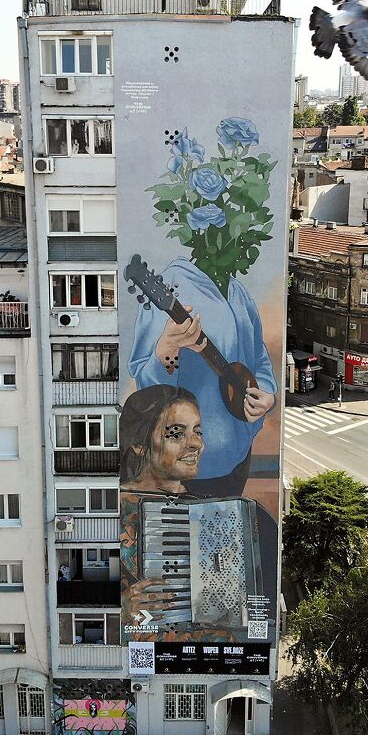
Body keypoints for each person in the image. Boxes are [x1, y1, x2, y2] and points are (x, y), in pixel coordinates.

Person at [118, 385, 275, 634]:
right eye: (176, 434)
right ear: (139, 444)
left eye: (198, 432)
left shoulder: (218, 510)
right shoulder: (110, 510)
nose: (196, 444)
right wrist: (122, 607)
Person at [128, 257, 277, 486]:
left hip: (239, 458)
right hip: (184, 467)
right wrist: (168, 349)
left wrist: (266, 395)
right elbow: (147, 386)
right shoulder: (172, 284)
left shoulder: (239, 293)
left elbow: (259, 358)